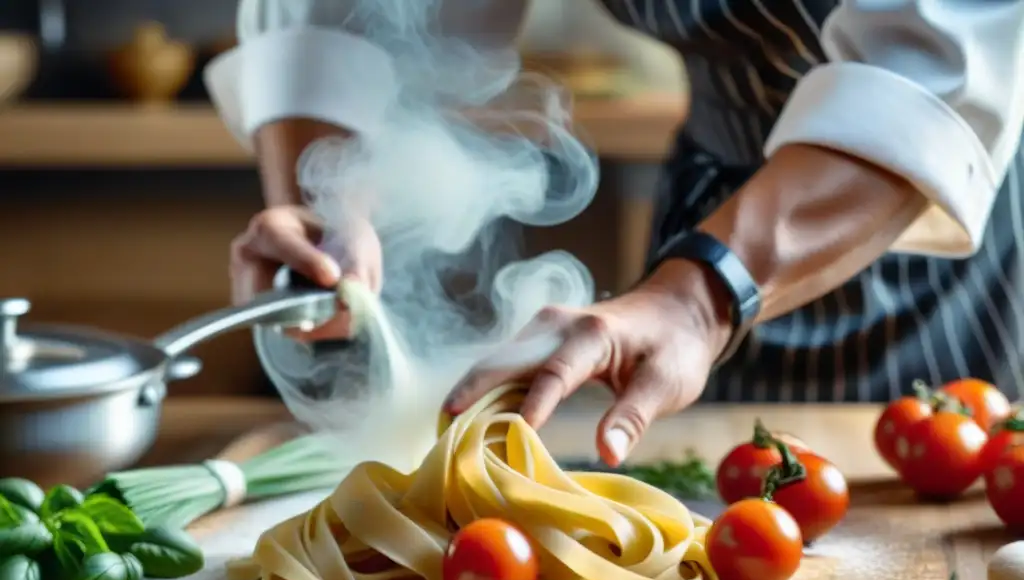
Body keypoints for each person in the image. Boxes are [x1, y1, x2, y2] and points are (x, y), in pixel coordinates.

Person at [208, 0, 1024, 468]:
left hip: (930, 200)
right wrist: (332, 196)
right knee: (715, 512)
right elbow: (348, 18)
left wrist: (700, 300)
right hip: (711, 202)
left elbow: (932, 70)